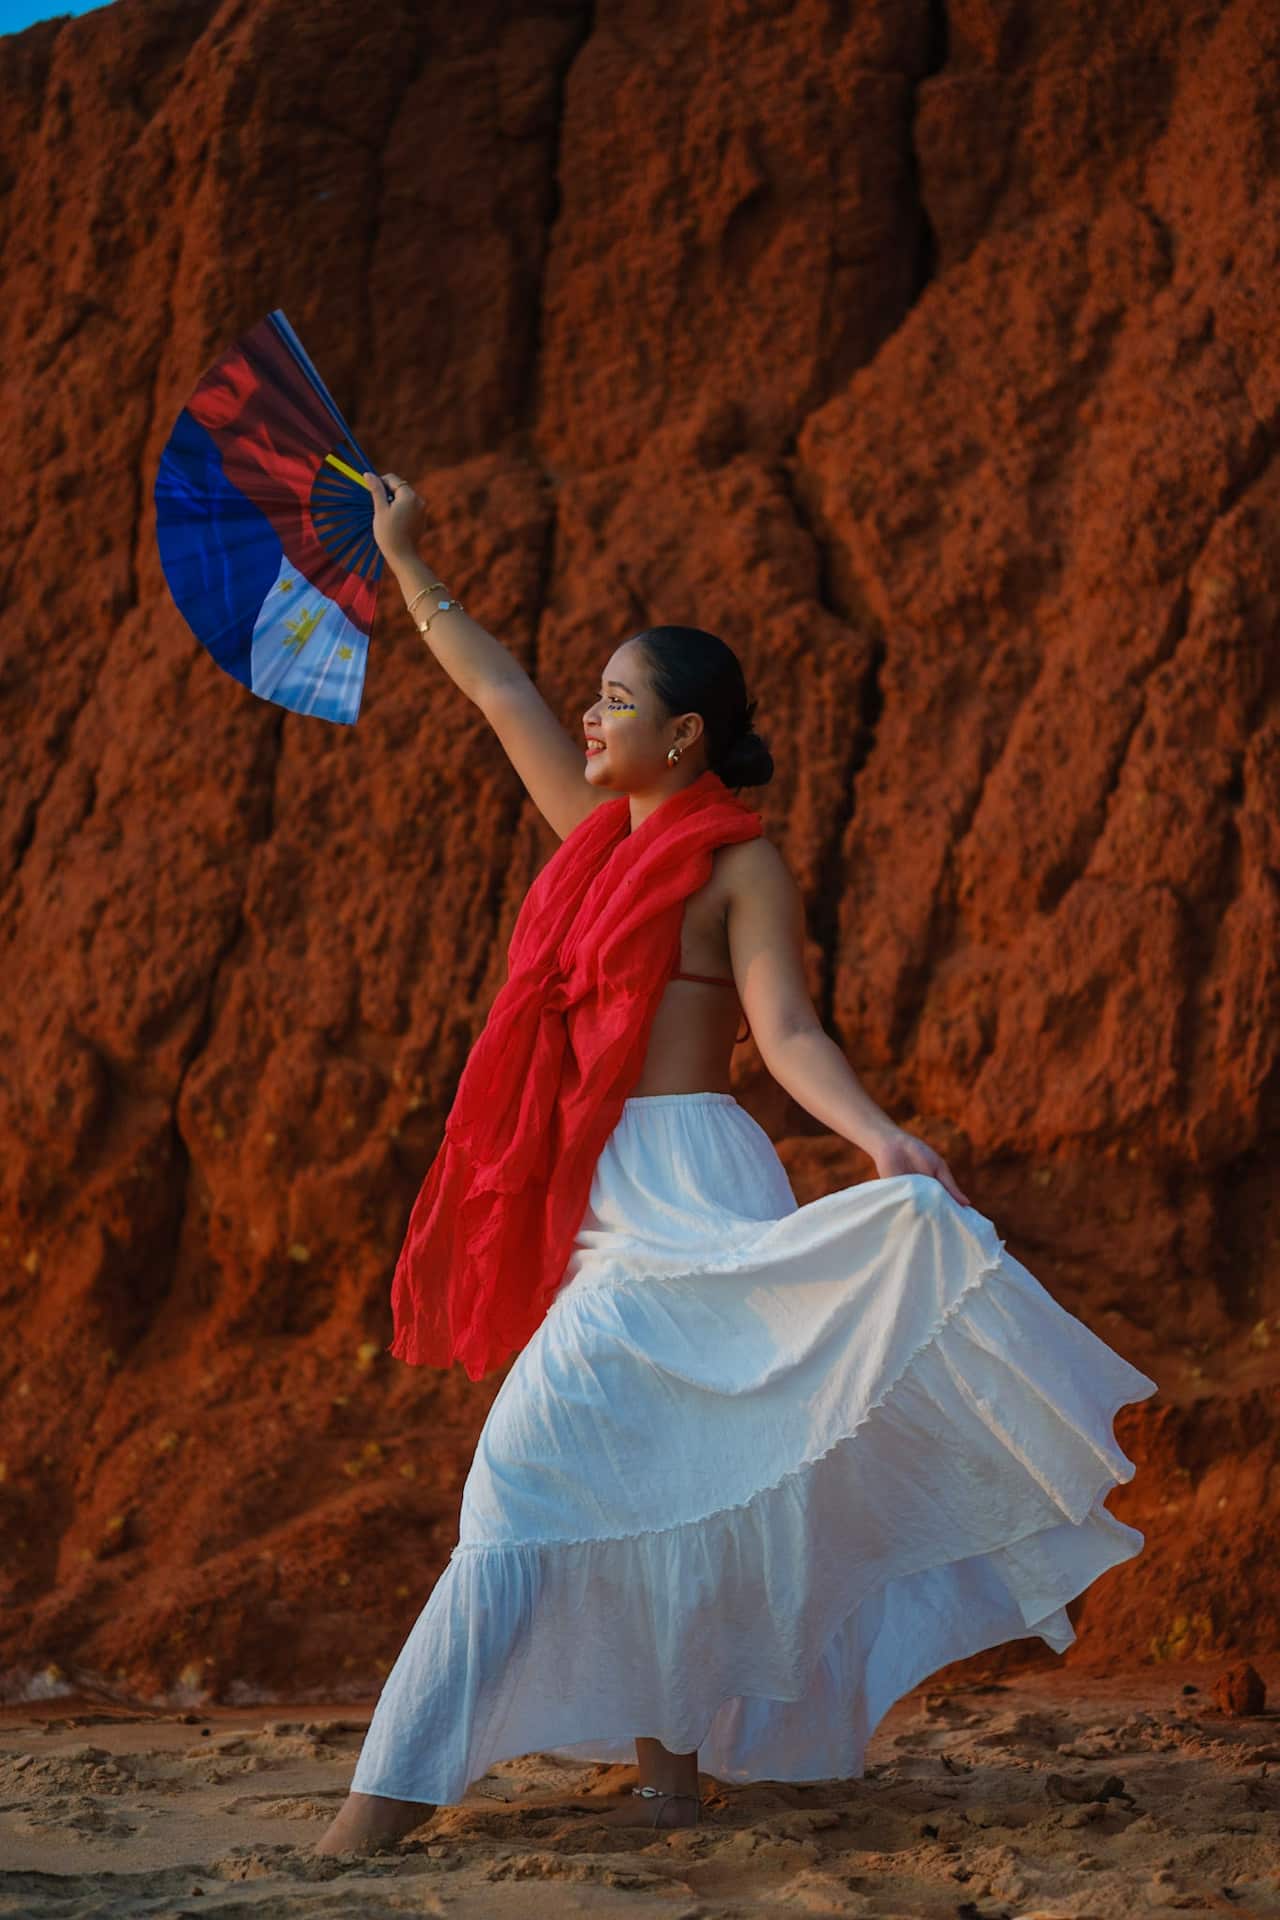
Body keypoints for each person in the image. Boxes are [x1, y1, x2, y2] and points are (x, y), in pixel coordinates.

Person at [313, 473, 1158, 1855]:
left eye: (619, 702)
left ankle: (376, 1816)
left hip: (695, 1184)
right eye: (596, 698)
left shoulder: (736, 870)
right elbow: (497, 694)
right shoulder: (595, 847)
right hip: (602, 1201)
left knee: (534, 1484)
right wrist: (408, 561)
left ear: (685, 734)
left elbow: (788, 1029)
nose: (590, 717)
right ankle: (666, 1779)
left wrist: (876, 1135)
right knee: (638, 1484)